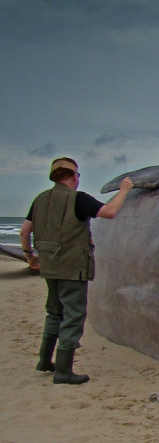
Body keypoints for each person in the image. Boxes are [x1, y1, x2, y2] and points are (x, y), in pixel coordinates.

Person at [20, 158, 133, 385]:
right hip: (72, 267)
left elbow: (25, 231)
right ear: (74, 176)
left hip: (49, 266)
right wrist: (124, 190)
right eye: (78, 175)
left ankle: (44, 360)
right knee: (73, 316)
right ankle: (63, 371)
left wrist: (29, 255)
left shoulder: (40, 199)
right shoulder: (78, 199)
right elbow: (110, 212)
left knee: (54, 312)